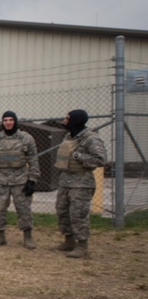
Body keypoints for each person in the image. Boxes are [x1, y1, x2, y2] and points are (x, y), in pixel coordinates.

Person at [53, 109, 106, 259]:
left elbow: (101, 159)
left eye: (67, 118)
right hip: (65, 181)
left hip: (81, 183)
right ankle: (69, 241)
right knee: (62, 211)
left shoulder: (90, 138)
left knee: (78, 214)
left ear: (76, 121)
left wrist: (79, 155)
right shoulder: (69, 136)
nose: (64, 120)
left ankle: (82, 245)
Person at [0, 111, 40, 249]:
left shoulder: (26, 138)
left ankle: (28, 237)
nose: (8, 122)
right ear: (2, 122)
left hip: (20, 179)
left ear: (15, 121)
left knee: (24, 209)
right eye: (5, 120)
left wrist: (32, 180)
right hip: (1, 180)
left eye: (10, 120)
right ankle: (0, 236)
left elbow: (33, 160)